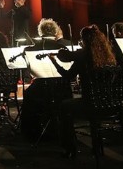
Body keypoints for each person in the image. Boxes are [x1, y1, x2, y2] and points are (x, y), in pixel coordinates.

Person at [48, 24, 117, 157]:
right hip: (111, 103)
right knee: (88, 111)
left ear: (84, 40)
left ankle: (70, 148)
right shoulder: (108, 56)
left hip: (90, 103)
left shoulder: (83, 55)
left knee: (64, 106)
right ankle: (97, 147)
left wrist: (54, 62)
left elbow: (68, 75)